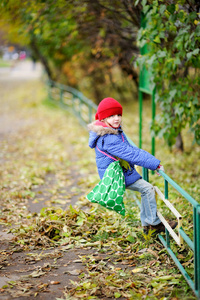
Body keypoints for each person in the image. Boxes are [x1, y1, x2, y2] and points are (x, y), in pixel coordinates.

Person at [87, 97, 177, 235]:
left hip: (121, 172)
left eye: (118, 115)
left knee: (146, 189)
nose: (116, 118)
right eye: (111, 116)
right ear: (104, 119)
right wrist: (155, 164)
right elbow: (131, 154)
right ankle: (153, 223)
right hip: (116, 177)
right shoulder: (109, 138)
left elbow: (131, 151)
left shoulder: (112, 130)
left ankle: (147, 226)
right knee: (148, 189)